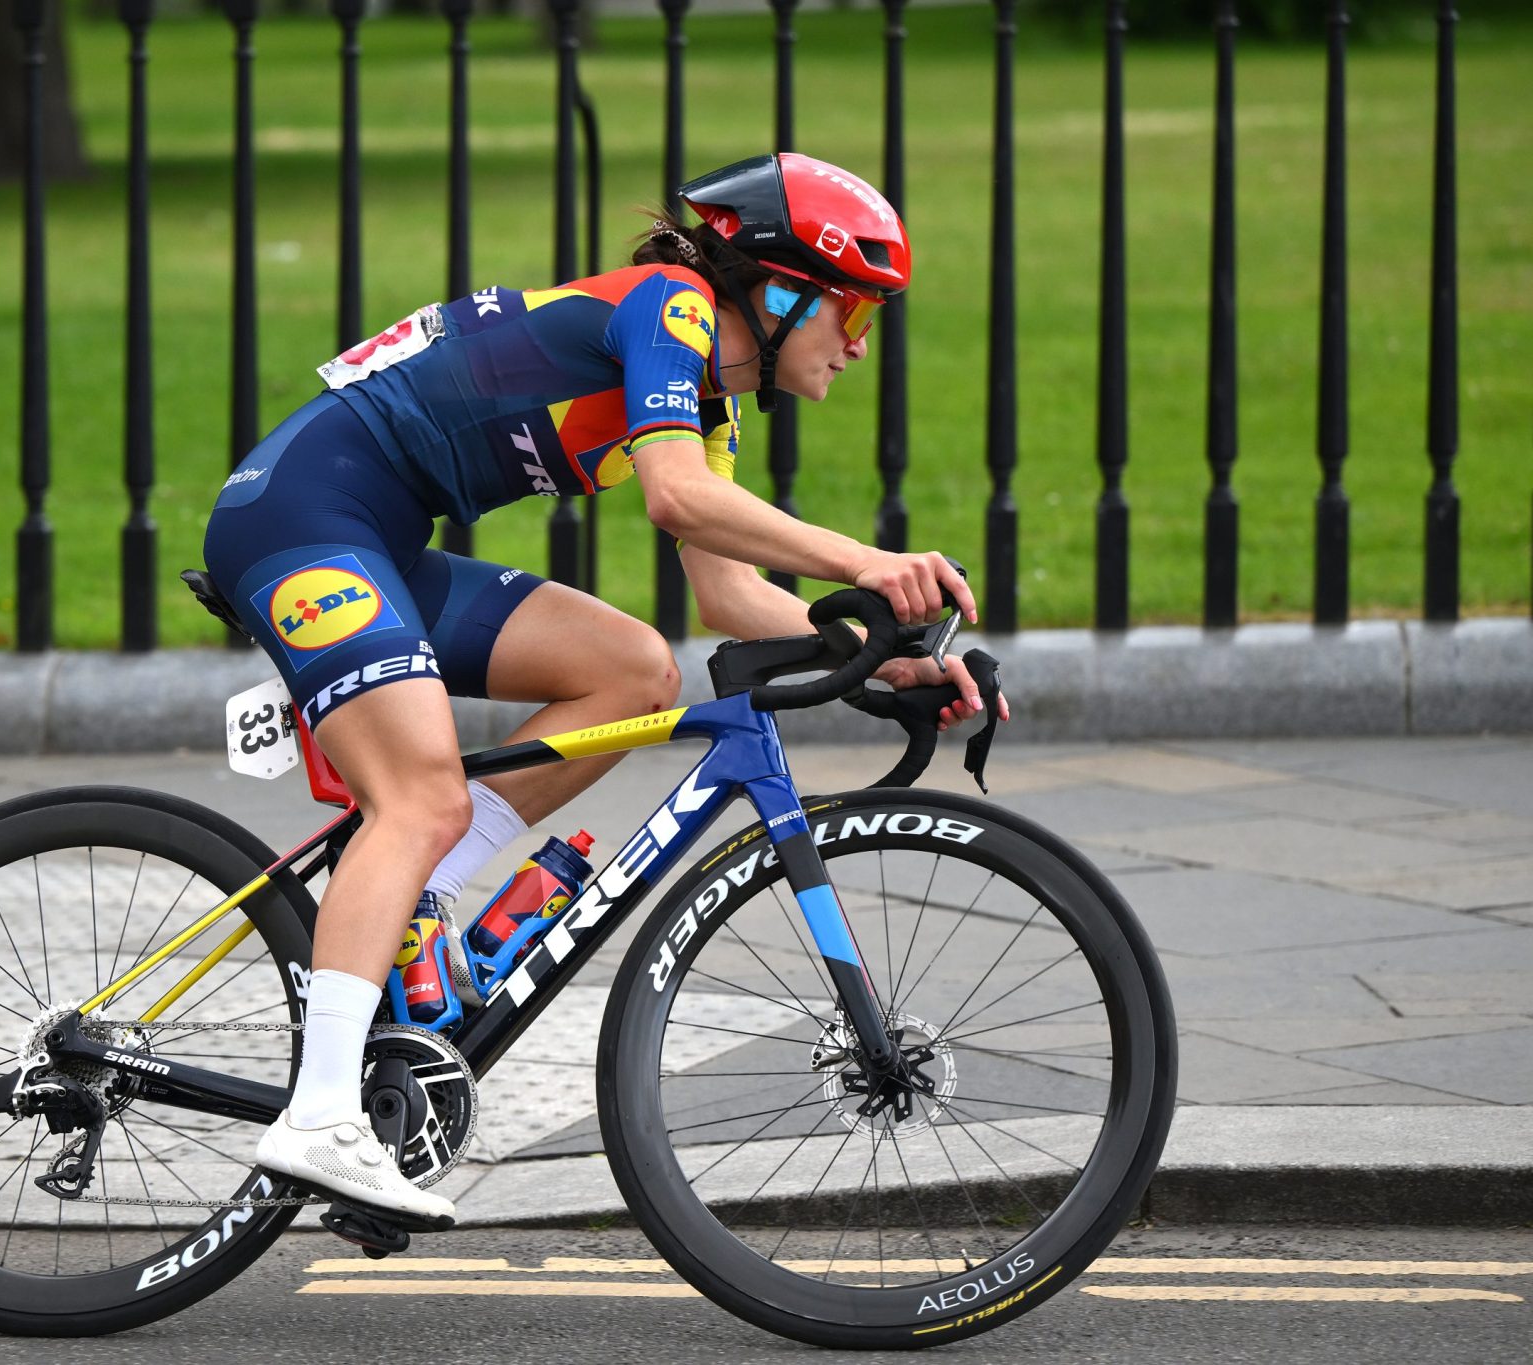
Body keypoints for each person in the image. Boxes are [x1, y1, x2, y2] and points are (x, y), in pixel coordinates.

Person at [202, 152, 1009, 1223]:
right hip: (299, 521)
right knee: (420, 797)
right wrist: (867, 563)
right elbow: (677, 499)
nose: (859, 343)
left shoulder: (705, 393)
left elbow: (726, 593)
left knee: (633, 671)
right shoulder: (670, 309)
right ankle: (317, 1119)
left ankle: (415, 893)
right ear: (777, 294)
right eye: (850, 310)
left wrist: (894, 657)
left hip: (375, 539)